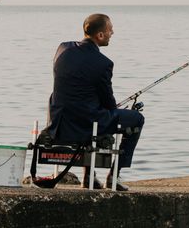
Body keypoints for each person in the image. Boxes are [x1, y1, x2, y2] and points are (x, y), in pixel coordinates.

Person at [47, 14, 144, 191]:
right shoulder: (103, 63)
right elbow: (108, 102)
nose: (112, 32)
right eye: (110, 30)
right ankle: (114, 176)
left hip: (59, 122)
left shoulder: (62, 48)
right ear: (100, 35)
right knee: (136, 119)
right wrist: (114, 108)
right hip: (85, 122)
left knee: (92, 111)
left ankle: (89, 177)